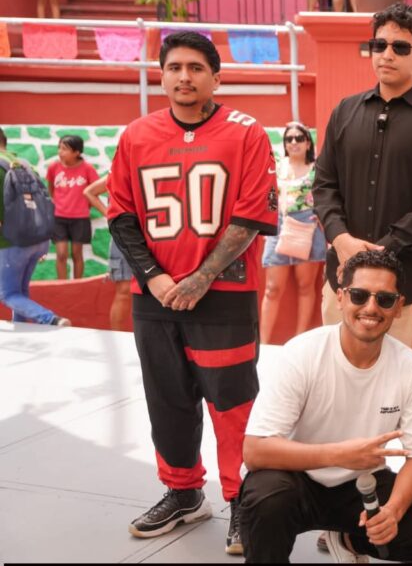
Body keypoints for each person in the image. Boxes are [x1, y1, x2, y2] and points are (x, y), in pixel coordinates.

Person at [107, 31, 279, 555]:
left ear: (215, 78)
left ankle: (243, 500)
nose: (184, 76)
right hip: (155, 298)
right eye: (174, 67)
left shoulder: (246, 132)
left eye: (196, 68)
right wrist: (155, 278)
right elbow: (120, 214)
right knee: (167, 398)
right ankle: (183, 493)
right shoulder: (136, 136)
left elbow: (253, 213)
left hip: (224, 294)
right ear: (161, 76)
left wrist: (202, 276)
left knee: (233, 404)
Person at [313, 2, 412, 493]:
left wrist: (380, 255)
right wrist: (341, 239)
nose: (387, 54)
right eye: (378, 44)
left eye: (400, 47)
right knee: (337, 390)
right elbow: (323, 186)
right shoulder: (345, 112)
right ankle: (341, 495)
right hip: (342, 284)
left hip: (411, 290)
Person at [239, 250, 412, 563]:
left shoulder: (411, 366)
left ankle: (348, 541)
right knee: (267, 499)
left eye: (384, 299)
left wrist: (393, 512)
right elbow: (255, 451)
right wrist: (339, 455)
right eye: (359, 295)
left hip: (363, 486)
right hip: (295, 479)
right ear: (341, 298)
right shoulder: (302, 352)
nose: (371, 307)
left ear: (398, 307)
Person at [260, 121, 326, 344]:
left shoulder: (317, 169)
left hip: (307, 226)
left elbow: (328, 195)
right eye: (289, 138)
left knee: (306, 287)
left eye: (299, 138)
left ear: (308, 143)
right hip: (279, 225)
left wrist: (321, 214)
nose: (294, 142)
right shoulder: (276, 167)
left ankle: (299, 342)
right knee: (272, 288)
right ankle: (264, 343)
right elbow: (267, 195)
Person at [0, 129, 69, 327]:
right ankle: (20, 328)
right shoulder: (23, 164)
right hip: (36, 239)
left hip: (11, 241)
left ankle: (50, 319)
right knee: (20, 290)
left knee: (7, 294)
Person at [83, 174, 132, 331]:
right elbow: (89, 192)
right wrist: (111, 216)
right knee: (124, 291)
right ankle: (118, 336)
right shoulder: (118, 171)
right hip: (124, 237)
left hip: (153, 235)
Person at [46, 134, 99, 280]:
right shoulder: (53, 167)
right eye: (59, 148)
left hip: (80, 218)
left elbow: (95, 190)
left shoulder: (88, 169)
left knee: (77, 254)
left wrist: (84, 206)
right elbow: (51, 187)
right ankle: (61, 285)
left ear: (77, 152)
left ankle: (77, 284)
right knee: (61, 253)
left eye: (65, 149)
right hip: (59, 217)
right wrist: (57, 202)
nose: (60, 152)